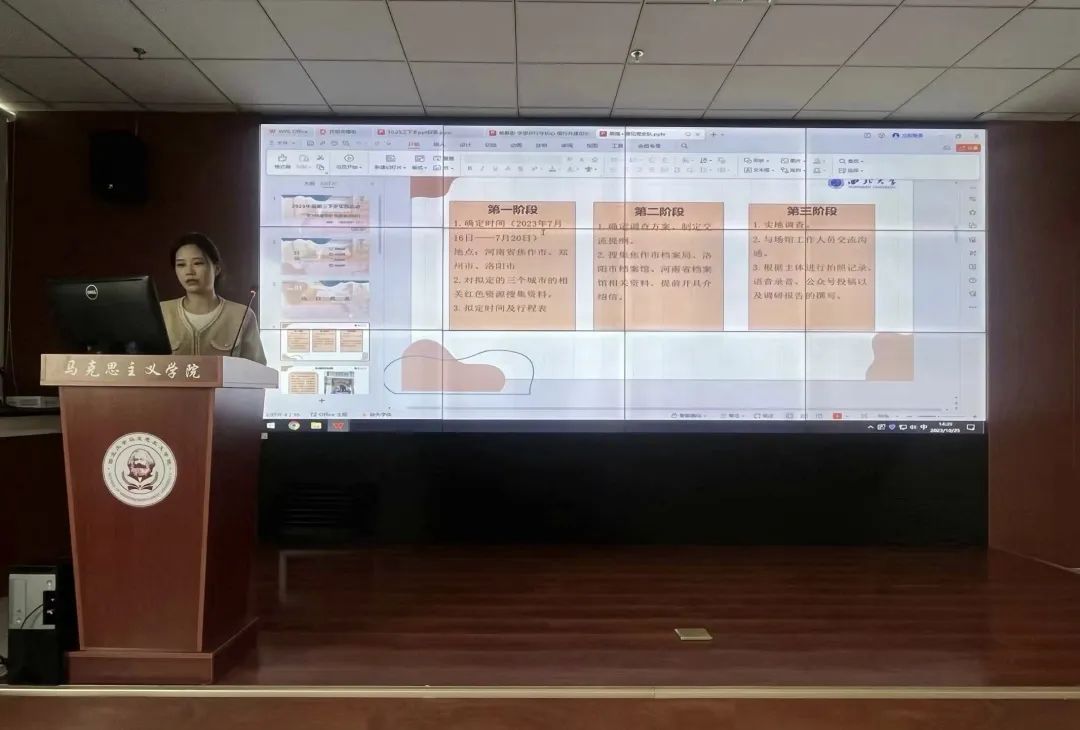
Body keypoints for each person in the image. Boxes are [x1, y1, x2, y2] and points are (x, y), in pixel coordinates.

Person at [160, 232, 266, 364]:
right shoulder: (160, 313)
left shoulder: (242, 316)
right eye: (181, 265)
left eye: (198, 263)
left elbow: (258, 370)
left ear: (216, 269)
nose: (189, 271)